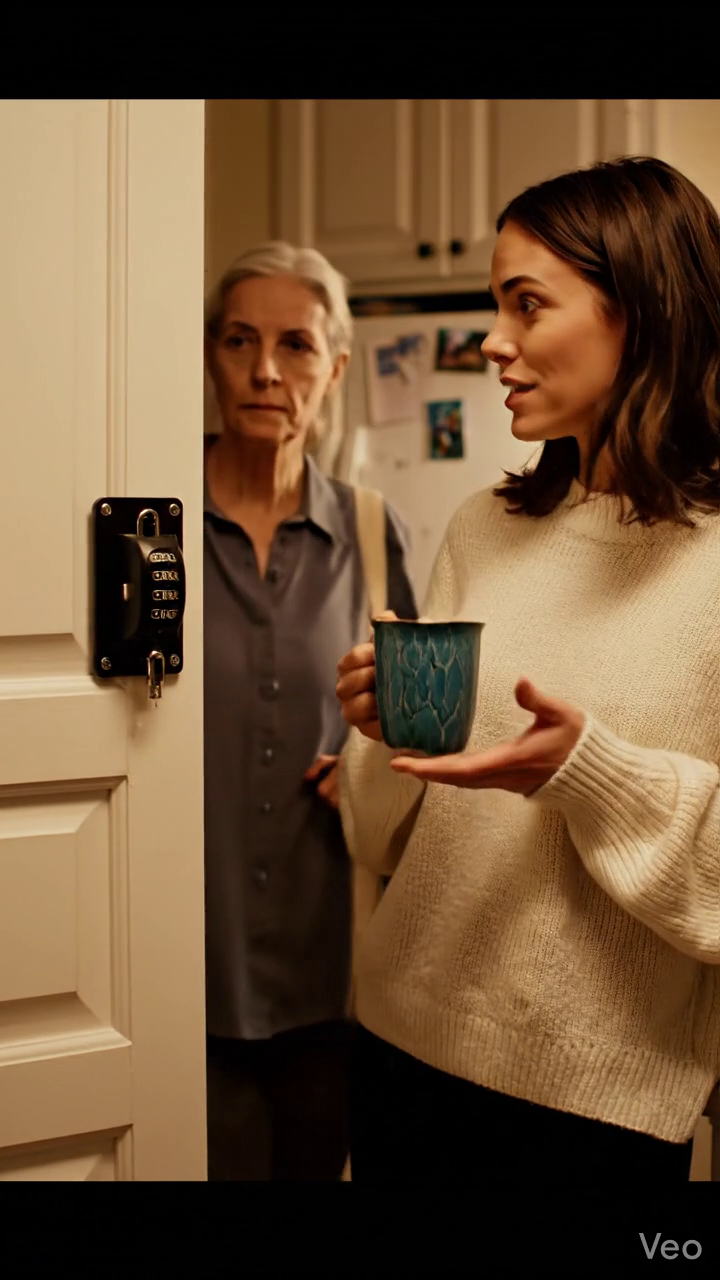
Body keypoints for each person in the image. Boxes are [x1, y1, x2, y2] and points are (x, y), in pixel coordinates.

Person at [336, 156, 720, 1185]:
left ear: (640, 310)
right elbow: (378, 834)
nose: (491, 340)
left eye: (525, 303)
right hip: (398, 1046)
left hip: (591, 1107)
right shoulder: (484, 526)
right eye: (491, 304)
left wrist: (587, 771)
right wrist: (379, 734)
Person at [202, 241, 416, 1181]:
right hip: (174, 967)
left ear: (334, 370)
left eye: (294, 346)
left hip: (332, 976)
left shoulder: (374, 533)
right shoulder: (142, 526)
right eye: (240, 341)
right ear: (208, 354)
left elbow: (422, 733)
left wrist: (371, 761)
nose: (263, 371)